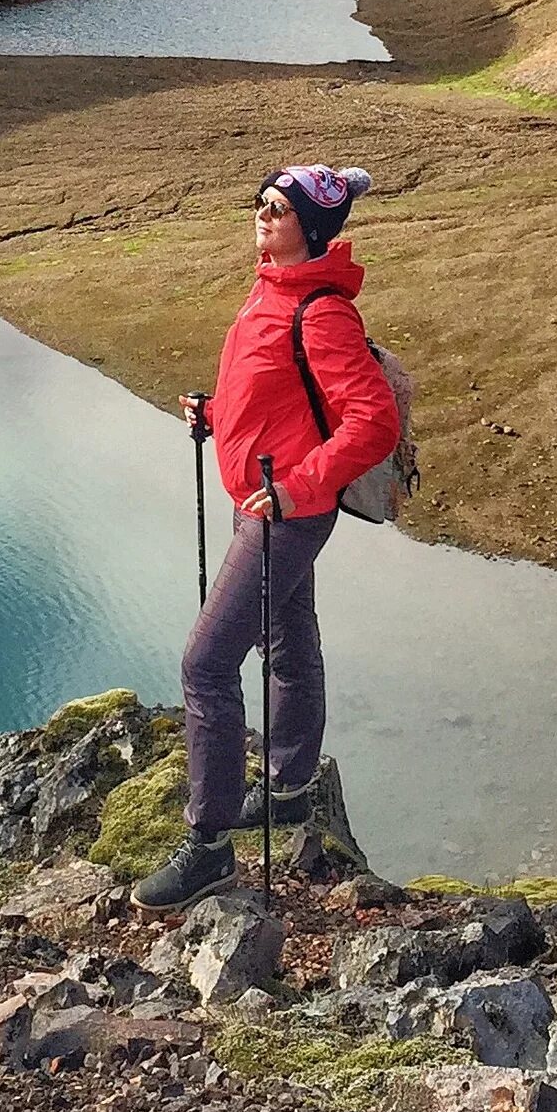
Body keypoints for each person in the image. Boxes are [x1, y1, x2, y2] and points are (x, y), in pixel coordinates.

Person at [133, 162, 402, 909]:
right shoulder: (272, 288)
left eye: (277, 208)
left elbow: (372, 422)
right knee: (287, 637)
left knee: (207, 666)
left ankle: (209, 847)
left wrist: (297, 488)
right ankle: (288, 787)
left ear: (310, 229)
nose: (262, 213)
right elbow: (275, 397)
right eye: (260, 201)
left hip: (283, 509)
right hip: (265, 497)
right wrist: (214, 412)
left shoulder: (320, 311)